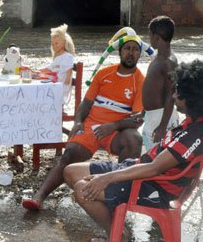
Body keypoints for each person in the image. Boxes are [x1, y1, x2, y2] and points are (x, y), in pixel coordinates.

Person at [64, 60, 203, 242]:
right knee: (71, 172)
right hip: (139, 169)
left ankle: (120, 236)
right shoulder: (193, 121)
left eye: (179, 93)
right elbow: (151, 164)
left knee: (83, 190)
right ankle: (116, 227)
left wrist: (105, 178)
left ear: (196, 100)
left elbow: (154, 168)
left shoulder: (194, 135)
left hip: (154, 187)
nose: (174, 96)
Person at [22, 36, 145, 211]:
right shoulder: (104, 74)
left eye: (135, 49)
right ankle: (39, 197)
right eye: (127, 48)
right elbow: (86, 104)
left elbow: (137, 119)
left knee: (134, 139)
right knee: (69, 154)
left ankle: (119, 198)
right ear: (120, 52)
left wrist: (114, 126)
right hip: (92, 126)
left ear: (140, 54)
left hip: (116, 131)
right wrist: (78, 122)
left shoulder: (140, 80)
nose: (131, 53)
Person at [141, 16, 179, 151]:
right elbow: (156, 90)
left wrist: (162, 126)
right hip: (153, 115)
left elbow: (171, 95)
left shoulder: (167, 62)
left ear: (156, 37)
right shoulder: (160, 57)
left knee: (156, 158)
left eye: (149, 35)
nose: (149, 39)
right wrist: (142, 113)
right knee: (151, 154)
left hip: (161, 117)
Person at [38, 23, 76, 104]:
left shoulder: (67, 56)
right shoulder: (57, 57)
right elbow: (50, 68)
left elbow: (69, 68)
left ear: (64, 43)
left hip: (61, 82)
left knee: (42, 88)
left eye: (56, 43)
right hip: (55, 81)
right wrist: (37, 71)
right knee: (39, 80)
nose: (54, 46)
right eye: (52, 44)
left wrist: (68, 78)